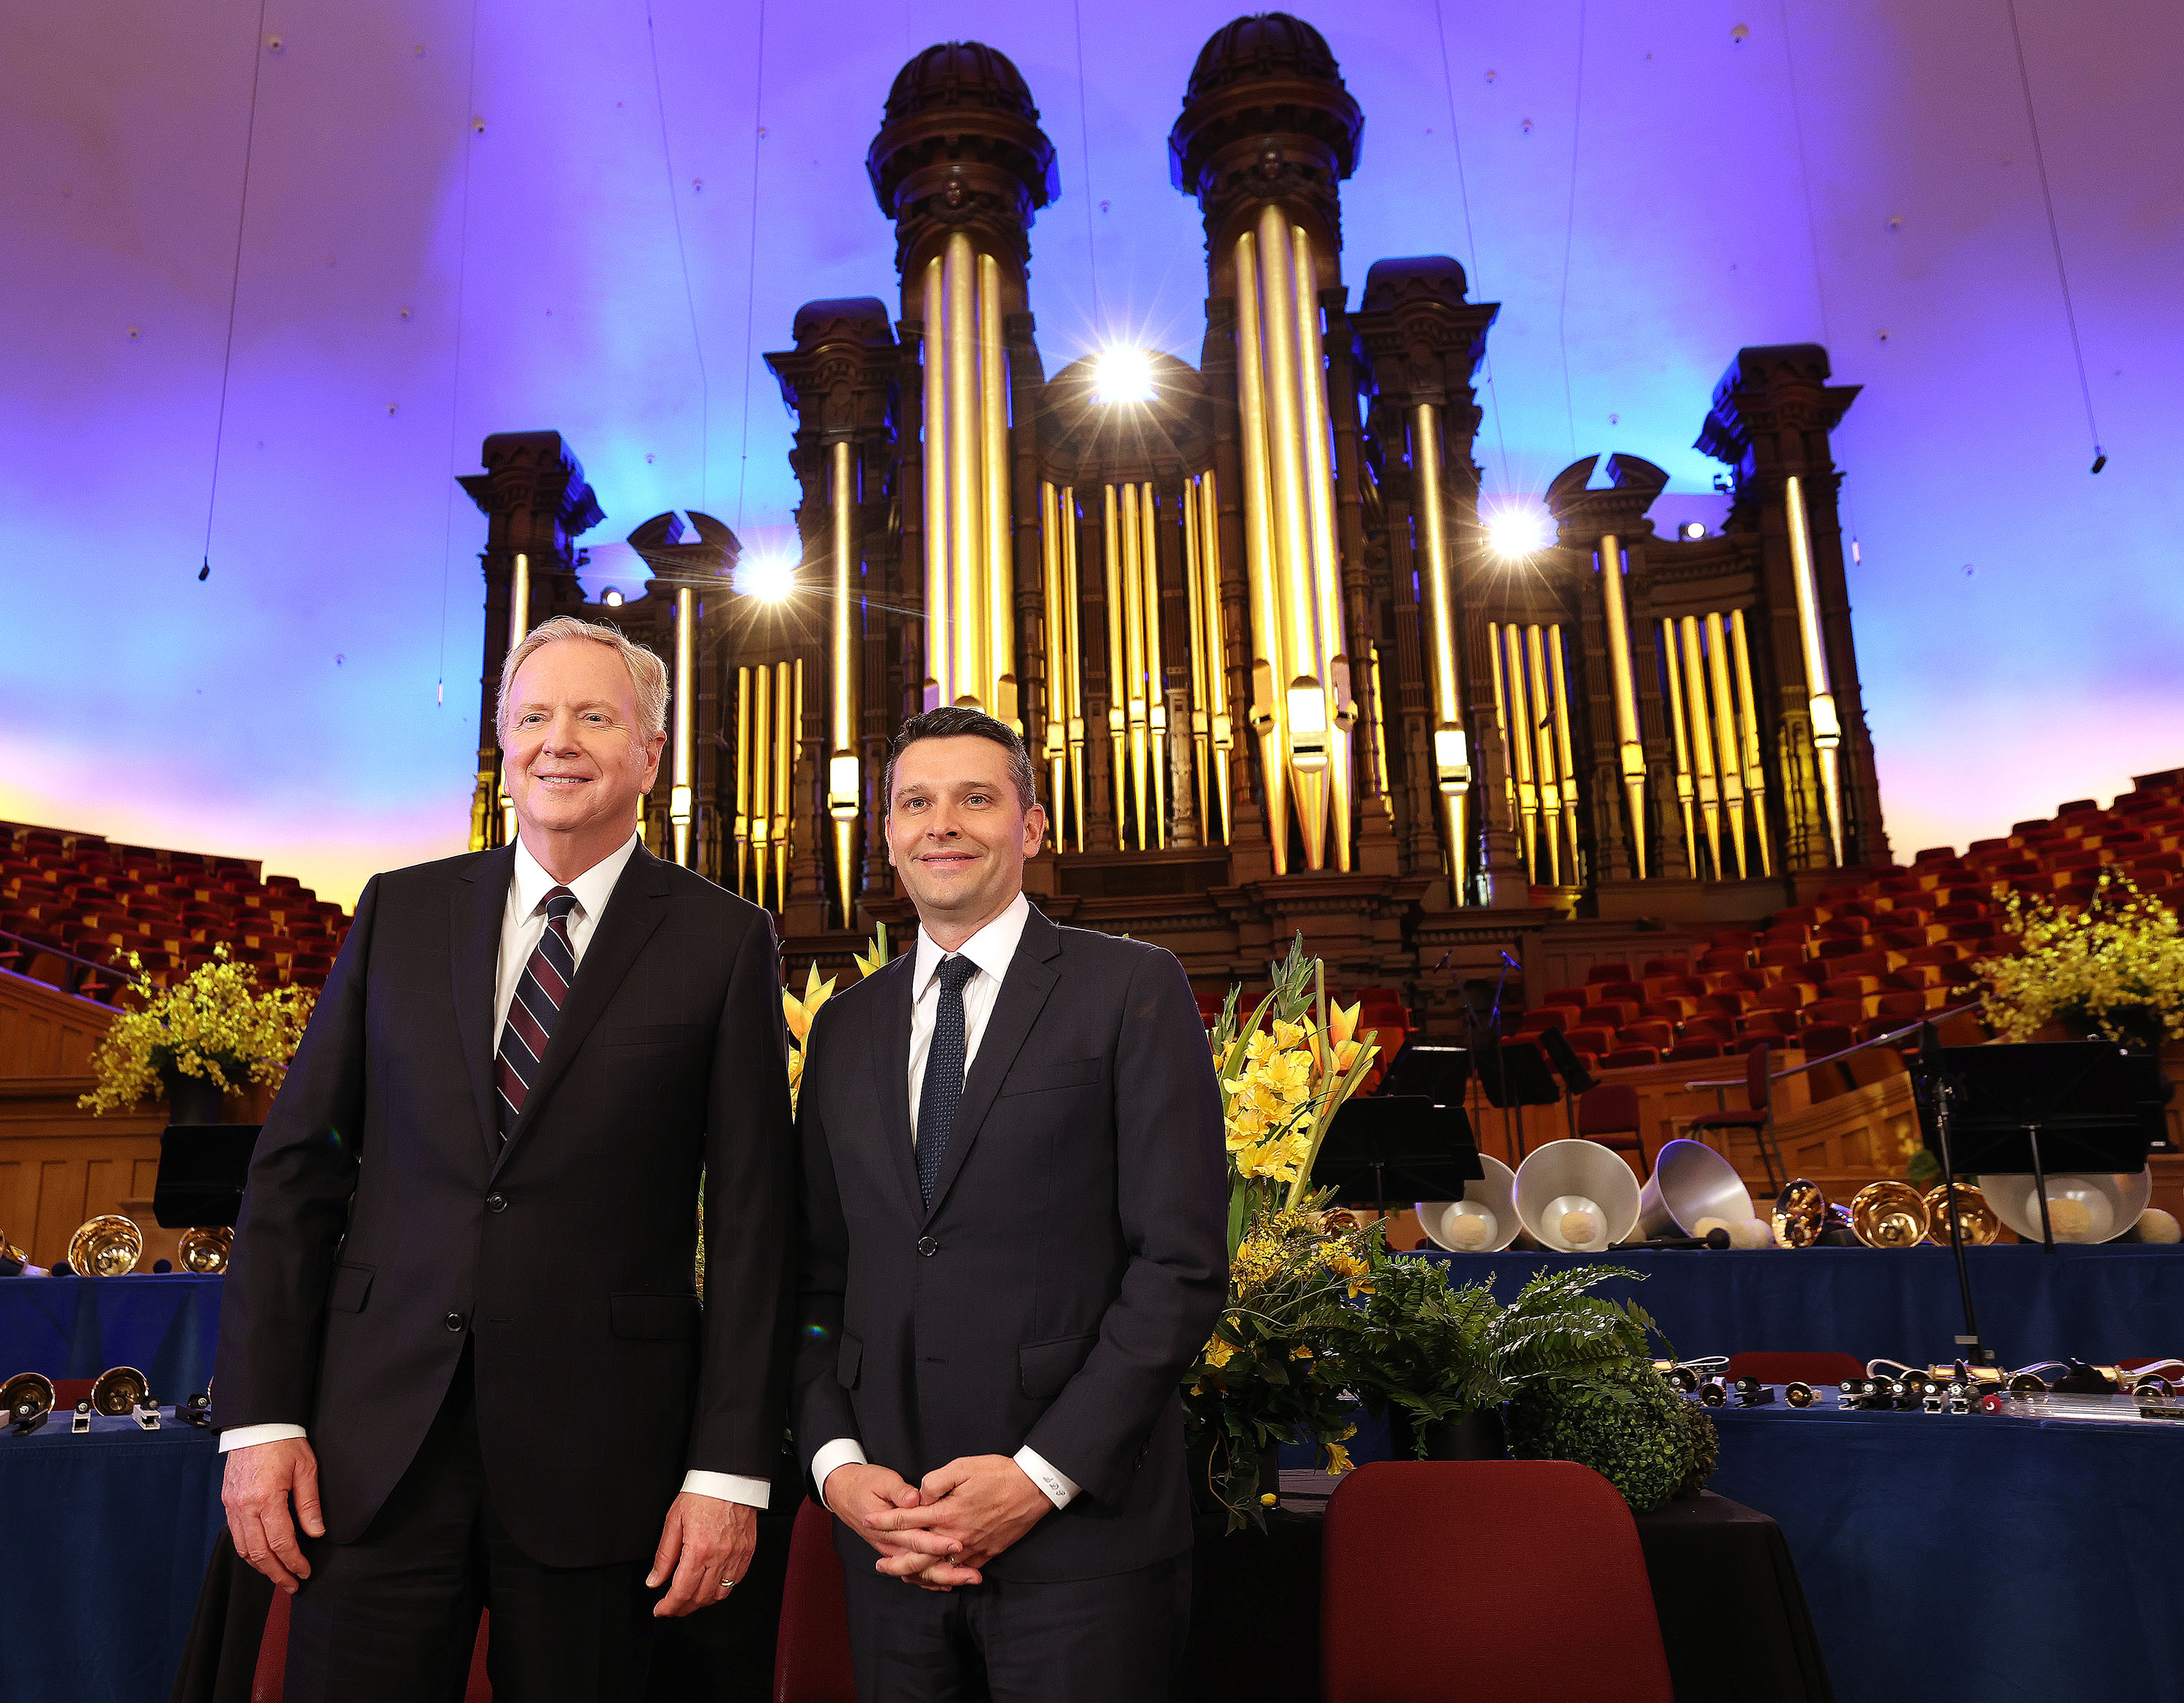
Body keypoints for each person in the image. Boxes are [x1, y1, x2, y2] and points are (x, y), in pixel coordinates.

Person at [214, 615, 796, 1700]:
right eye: (532, 717)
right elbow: (296, 1175)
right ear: (504, 745)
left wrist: (727, 1471)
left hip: (607, 1460)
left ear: (650, 753)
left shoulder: (725, 941)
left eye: (593, 716)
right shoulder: (401, 908)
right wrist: (262, 1418)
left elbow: (760, 1226)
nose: (557, 741)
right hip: (373, 1454)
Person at [793, 706, 1227, 1702]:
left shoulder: (1131, 989)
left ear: (1031, 827)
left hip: (1081, 1545)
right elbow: (815, 1275)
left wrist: (1037, 1477)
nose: (941, 823)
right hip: (890, 1542)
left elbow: (1182, 1269)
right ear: (889, 834)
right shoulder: (844, 1030)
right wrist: (837, 1467)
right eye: (916, 802)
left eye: (975, 798)